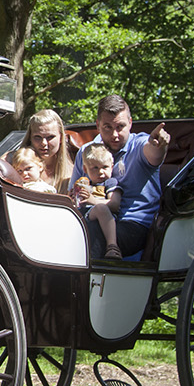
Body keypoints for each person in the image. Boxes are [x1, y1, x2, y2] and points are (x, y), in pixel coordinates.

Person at [70, 94, 171, 261]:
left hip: (132, 224)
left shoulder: (140, 145)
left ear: (130, 123)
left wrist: (159, 146)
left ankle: (82, 286)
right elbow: (75, 194)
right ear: (98, 125)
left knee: (93, 234)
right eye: (107, 127)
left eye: (120, 127)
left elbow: (154, 154)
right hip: (90, 217)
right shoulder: (87, 152)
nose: (115, 135)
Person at [74, 143, 123, 258]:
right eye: (95, 168)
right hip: (85, 216)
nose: (101, 172)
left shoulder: (110, 183)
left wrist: (93, 200)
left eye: (104, 167)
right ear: (85, 169)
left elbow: (114, 204)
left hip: (105, 216)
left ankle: (112, 246)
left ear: (112, 166)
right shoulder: (84, 183)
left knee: (101, 208)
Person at [21, 108, 73, 192]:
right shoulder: (12, 161)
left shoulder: (72, 173)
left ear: (61, 138)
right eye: (37, 137)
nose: (44, 143)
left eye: (50, 137)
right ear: (30, 137)